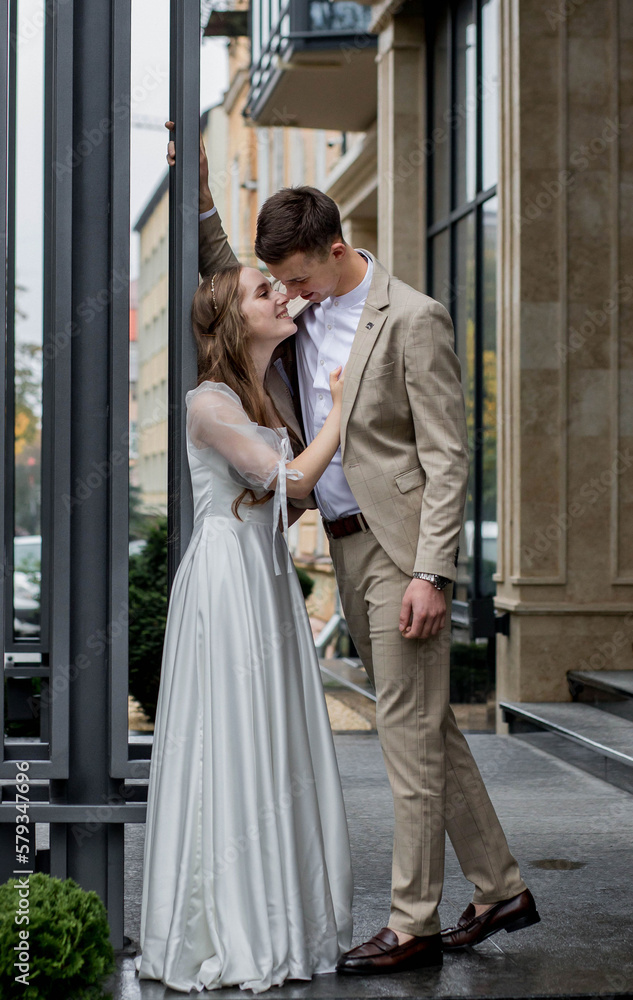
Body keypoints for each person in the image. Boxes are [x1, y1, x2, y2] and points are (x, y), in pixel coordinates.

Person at [166, 121, 540, 974]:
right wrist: (192, 190)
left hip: (400, 552)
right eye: (277, 283)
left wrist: (431, 572)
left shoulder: (412, 318)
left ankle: (411, 922)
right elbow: (222, 267)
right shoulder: (288, 301)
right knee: (424, 729)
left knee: (405, 734)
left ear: (335, 251)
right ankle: (500, 887)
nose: (285, 296)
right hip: (341, 545)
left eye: (295, 279)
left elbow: (447, 458)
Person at [134, 262, 353, 993]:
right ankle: (230, 924)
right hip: (227, 590)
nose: (283, 295)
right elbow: (287, 481)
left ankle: (279, 917)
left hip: (264, 584)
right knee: (230, 744)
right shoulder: (207, 404)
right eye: (267, 292)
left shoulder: (260, 395)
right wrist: (340, 414)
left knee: (273, 742)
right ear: (234, 322)